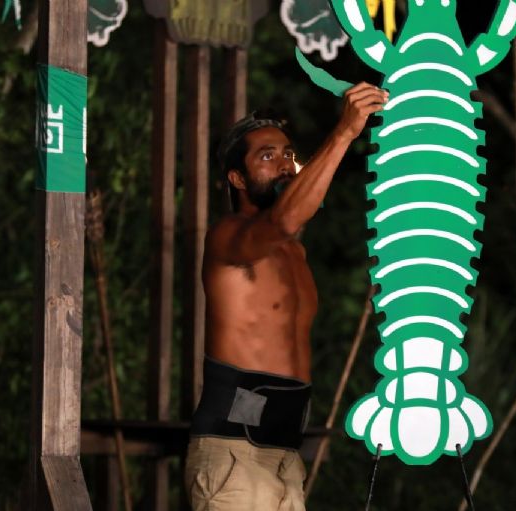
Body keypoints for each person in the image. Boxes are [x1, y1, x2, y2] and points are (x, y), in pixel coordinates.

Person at [184, 82, 389, 511]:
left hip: (286, 455)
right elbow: (285, 219)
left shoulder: (294, 252)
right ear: (237, 178)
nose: (284, 164)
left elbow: (298, 209)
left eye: (288, 154)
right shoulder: (227, 236)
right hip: (233, 454)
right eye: (267, 156)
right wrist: (344, 132)